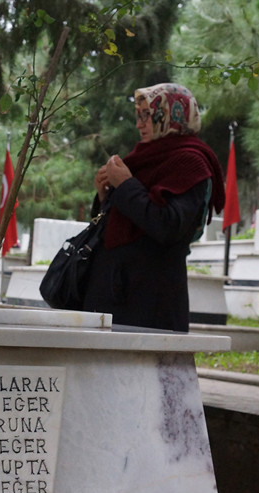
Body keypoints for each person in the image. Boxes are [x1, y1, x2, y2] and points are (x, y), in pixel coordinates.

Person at [82, 83, 225, 332]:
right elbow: (120, 224)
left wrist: (125, 185)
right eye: (138, 116)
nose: (139, 125)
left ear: (171, 115)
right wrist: (105, 195)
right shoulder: (143, 158)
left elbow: (168, 225)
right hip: (114, 294)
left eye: (147, 115)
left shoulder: (191, 163)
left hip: (151, 301)